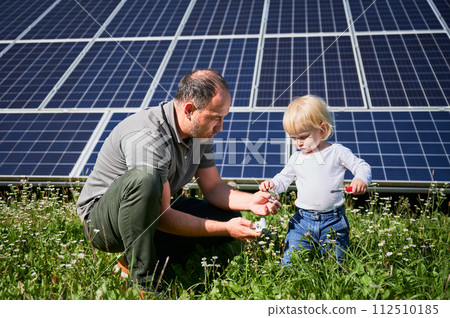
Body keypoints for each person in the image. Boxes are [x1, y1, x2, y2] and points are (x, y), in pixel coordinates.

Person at [77, 69, 279, 288]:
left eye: (223, 118)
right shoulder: (148, 137)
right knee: (146, 179)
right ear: (190, 110)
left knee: (226, 215)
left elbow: (212, 187)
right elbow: (162, 217)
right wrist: (225, 228)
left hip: (149, 212)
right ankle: (143, 282)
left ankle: (130, 262)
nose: (220, 128)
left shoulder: (200, 134)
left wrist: (252, 201)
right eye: (215, 119)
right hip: (103, 224)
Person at [259, 95, 371, 265]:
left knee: (336, 265)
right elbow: (284, 178)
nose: (298, 143)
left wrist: (360, 179)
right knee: (291, 261)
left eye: (303, 137)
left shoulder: (336, 152)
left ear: (322, 130)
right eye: (293, 138)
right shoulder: (296, 158)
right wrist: (272, 184)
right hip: (302, 220)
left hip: (333, 220)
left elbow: (362, 166)